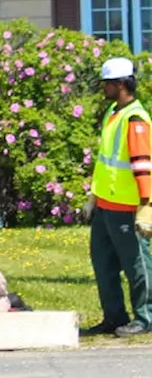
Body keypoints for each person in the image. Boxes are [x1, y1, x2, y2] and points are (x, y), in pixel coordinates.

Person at [80, 57, 152, 338]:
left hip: (127, 207)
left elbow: (144, 165)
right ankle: (114, 316)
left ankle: (146, 317)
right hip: (106, 206)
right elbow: (106, 162)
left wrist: (147, 206)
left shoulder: (135, 120)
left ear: (121, 85)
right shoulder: (113, 112)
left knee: (137, 265)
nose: (103, 88)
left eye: (107, 84)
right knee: (104, 263)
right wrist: (94, 197)